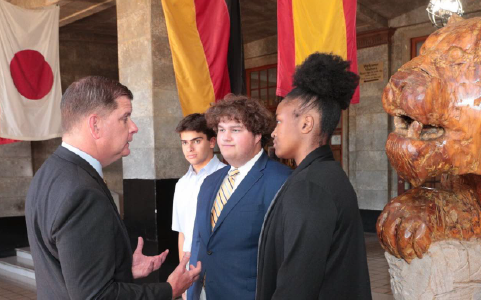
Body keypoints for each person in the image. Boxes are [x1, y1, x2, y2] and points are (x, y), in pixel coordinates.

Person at [25, 76, 201, 299]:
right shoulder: (82, 192)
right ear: (95, 125)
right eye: (125, 118)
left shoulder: (49, 172)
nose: (134, 127)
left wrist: (121, 267)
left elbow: (70, 270)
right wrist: (169, 289)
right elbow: (96, 296)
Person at [256, 53, 372, 300]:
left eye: (278, 121)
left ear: (306, 124)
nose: (273, 132)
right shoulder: (323, 174)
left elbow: (297, 285)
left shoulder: (311, 187)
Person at [186, 95, 291, 300]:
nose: (225, 138)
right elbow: (201, 243)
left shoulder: (281, 181)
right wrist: (191, 289)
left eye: (235, 130)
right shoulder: (210, 183)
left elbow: (287, 256)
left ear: (258, 134)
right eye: (221, 129)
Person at [172, 113, 226, 262]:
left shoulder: (227, 177)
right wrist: (183, 272)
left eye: (196, 141)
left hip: (219, 266)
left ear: (212, 142)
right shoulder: (181, 184)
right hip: (190, 270)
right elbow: (182, 233)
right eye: (184, 142)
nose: (189, 148)